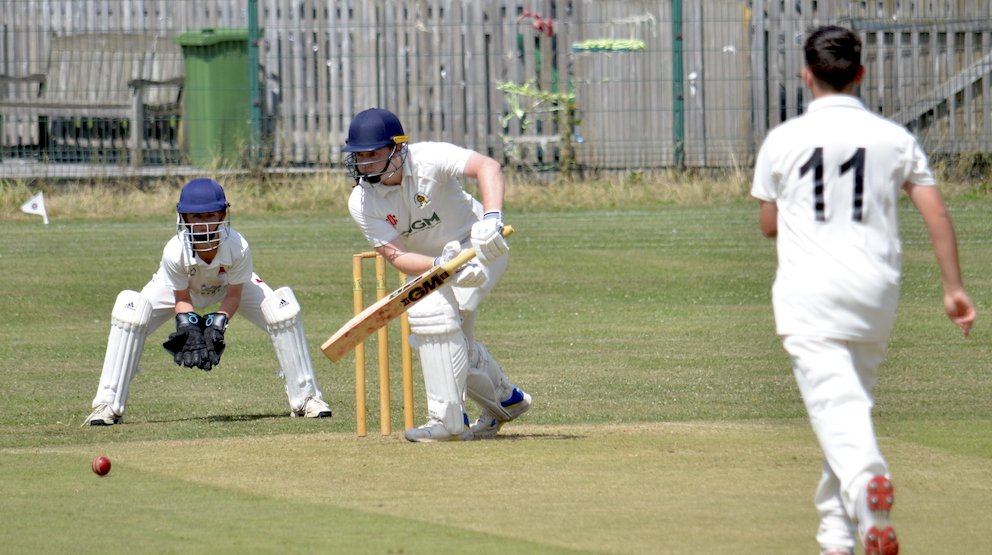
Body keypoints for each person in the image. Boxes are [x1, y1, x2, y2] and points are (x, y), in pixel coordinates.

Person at [752, 26, 976, 555]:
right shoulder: (894, 139)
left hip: (809, 292)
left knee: (837, 407)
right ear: (861, 74)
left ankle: (868, 488)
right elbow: (936, 212)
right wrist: (954, 288)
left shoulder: (783, 140)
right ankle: (836, 537)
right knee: (847, 407)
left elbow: (768, 223)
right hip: (875, 290)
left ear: (807, 75)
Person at [342, 107, 531, 442]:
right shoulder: (362, 201)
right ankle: (506, 400)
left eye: (374, 154)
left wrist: (491, 219)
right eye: (359, 156)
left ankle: (448, 422)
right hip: (435, 264)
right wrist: (439, 265)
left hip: (481, 247)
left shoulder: (430, 157)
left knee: (432, 320)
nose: (365, 164)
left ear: (398, 149)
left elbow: (488, 167)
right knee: (449, 342)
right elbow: (397, 256)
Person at [85, 178, 332, 425]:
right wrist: (189, 326)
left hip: (227, 286)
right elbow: (181, 298)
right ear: (184, 218)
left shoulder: (238, 246)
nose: (203, 224)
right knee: (131, 312)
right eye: (196, 217)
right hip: (180, 289)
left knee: (282, 310)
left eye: (210, 215)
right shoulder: (174, 251)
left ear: (223, 215)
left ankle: (307, 398)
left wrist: (218, 324)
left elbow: (235, 294)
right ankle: (108, 404)